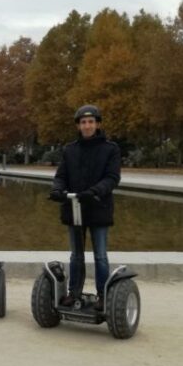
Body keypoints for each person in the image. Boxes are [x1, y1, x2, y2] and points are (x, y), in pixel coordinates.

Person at [49, 104, 121, 307]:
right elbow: (61, 176)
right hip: (75, 208)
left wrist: (95, 191)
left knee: (100, 255)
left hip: (98, 207)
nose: (87, 126)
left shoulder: (110, 149)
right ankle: (74, 292)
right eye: (83, 122)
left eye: (91, 122)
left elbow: (112, 178)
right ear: (78, 126)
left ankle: (102, 295)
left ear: (97, 124)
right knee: (76, 255)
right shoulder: (70, 150)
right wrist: (57, 190)